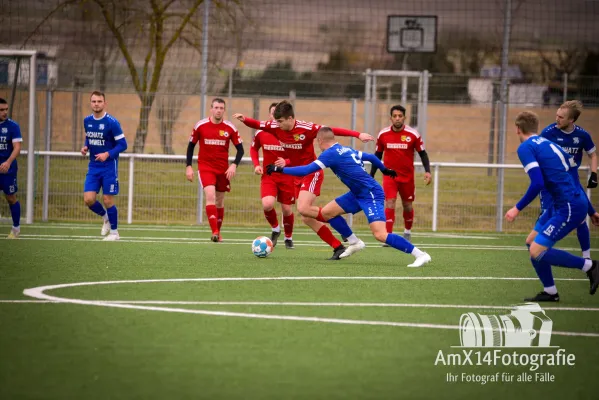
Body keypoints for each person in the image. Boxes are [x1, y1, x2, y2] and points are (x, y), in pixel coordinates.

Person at [266, 126, 432, 267]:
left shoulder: (329, 153)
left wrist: (279, 169)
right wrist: (383, 169)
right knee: (327, 213)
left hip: (371, 194)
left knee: (380, 235)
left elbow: (304, 171)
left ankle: (420, 254)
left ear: (320, 141)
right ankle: (354, 242)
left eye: (317, 142)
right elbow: (371, 157)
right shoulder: (345, 149)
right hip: (357, 193)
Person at [233, 101, 374, 260]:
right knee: (306, 217)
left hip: (311, 172)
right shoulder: (275, 126)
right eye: (276, 121)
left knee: (303, 208)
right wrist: (244, 118)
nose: (277, 125)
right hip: (296, 175)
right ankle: (337, 247)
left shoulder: (306, 128)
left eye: (280, 121)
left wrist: (357, 135)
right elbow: (257, 124)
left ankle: (345, 231)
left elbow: (331, 130)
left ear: (290, 118)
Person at [505, 111, 599, 302]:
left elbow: (537, 183)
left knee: (536, 250)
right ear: (536, 127)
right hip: (565, 203)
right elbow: (574, 180)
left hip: (568, 205)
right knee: (531, 243)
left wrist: (517, 208)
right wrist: (591, 210)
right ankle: (550, 291)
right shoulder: (549, 144)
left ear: (517, 129)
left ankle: (590, 266)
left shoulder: (525, 148)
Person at [536, 100, 597, 260]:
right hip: (551, 184)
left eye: (561, 117)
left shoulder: (582, 135)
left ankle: (587, 258)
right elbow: (537, 152)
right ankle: (540, 249)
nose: (557, 119)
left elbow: (593, 154)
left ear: (571, 120)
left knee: (580, 218)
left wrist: (594, 174)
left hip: (571, 182)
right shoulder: (548, 132)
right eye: (557, 115)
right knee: (547, 216)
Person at [370, 105, 431, 244]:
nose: (397, 118)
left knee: (407, 205)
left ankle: (407, 232)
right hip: (389, 176)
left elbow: (423, 153)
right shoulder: (383, 134)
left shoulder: (413, 134)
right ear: (390, 118)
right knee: (390, 202)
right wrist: (371, 174)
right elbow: (377, 155)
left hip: (407, 177)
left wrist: (428, 171)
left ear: (404, 117)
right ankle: (388, 237)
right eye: (395, 116)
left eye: (400, 116)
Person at [186, 98, 244, 242]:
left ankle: (218, 231)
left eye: (221, 108)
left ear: (224, 110)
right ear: (211, 109)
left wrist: (234, 165)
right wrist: (188, 166)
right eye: (216, 107)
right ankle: (215, 231)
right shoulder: (201, 125)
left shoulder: (230, 128)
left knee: (219, 201)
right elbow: (191, 146)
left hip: (223, 169)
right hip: (205, 167)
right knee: (210, 195)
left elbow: (240, 150)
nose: (218, 110)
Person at [81, 91, 128, 241]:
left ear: (104, 103)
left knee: (108, 200)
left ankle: (114, 233)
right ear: (91, 103)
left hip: (109, 166)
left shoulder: (112, 122)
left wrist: (107, 154)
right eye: (94, 101)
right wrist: (85, 147)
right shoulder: (87, 121)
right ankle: (105, 217)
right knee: (89, 199)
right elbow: (89, 137)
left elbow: (123, 145)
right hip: (93, 166)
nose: (96, 104)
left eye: (99, 101)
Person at [250, 102, 295, 248]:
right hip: (269, 175)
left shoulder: (289, 132)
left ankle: (288, 237)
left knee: (287, 209)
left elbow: (298, 154)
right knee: (267, 204)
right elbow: (253, 149)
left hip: (287, 175)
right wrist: (256, 164)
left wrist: (287, 161)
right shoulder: (261, 132)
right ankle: (275, 229)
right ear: (269, 115)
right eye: (272, 112)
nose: (275, 116)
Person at [0, 98, 22, 239]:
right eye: (1, 110)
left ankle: (15, 228)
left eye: (6, 109)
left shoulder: (13, 126)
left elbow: (17, 147)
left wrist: (8, 162)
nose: (5, 112)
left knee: (11, 198)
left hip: (8, 170)